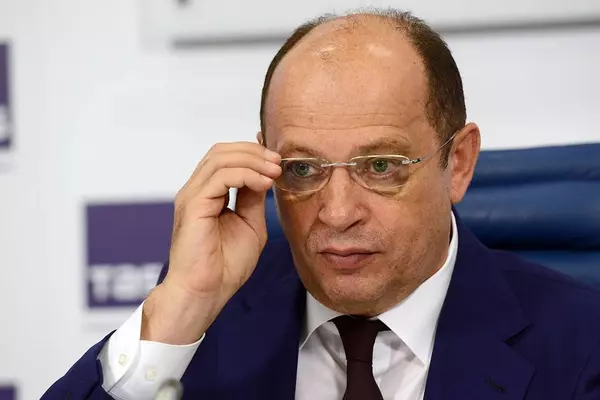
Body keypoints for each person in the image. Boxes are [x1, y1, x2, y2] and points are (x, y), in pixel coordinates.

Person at [43, 9, 600, 400]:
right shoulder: (205, 320)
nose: (337, 213)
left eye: (379, 166)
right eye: (303, 170)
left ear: (457, 163)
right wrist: (177, 311)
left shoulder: (581, 343)